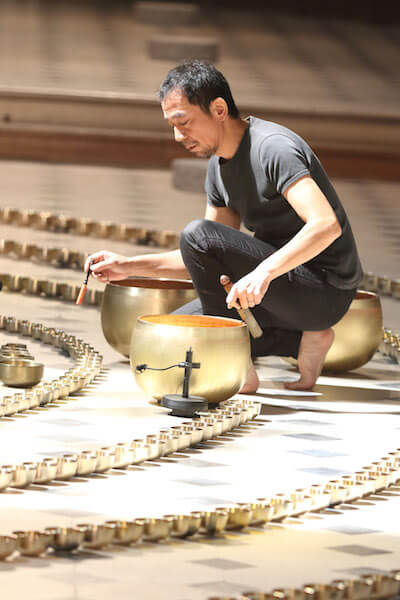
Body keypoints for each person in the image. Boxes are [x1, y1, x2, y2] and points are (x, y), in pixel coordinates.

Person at [86, 60, 363, 393]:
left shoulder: (273, 148)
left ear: (218, 109)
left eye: (183, 122)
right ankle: (299, 338)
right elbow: (203, 256)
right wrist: (128, 267)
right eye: (171, 125)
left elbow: (325, 225)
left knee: (196, 237)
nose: (177, 136)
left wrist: (264, 273)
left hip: (323, 289)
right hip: (280, 292)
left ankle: (238, 365)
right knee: (173, 333)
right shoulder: (218, 168)